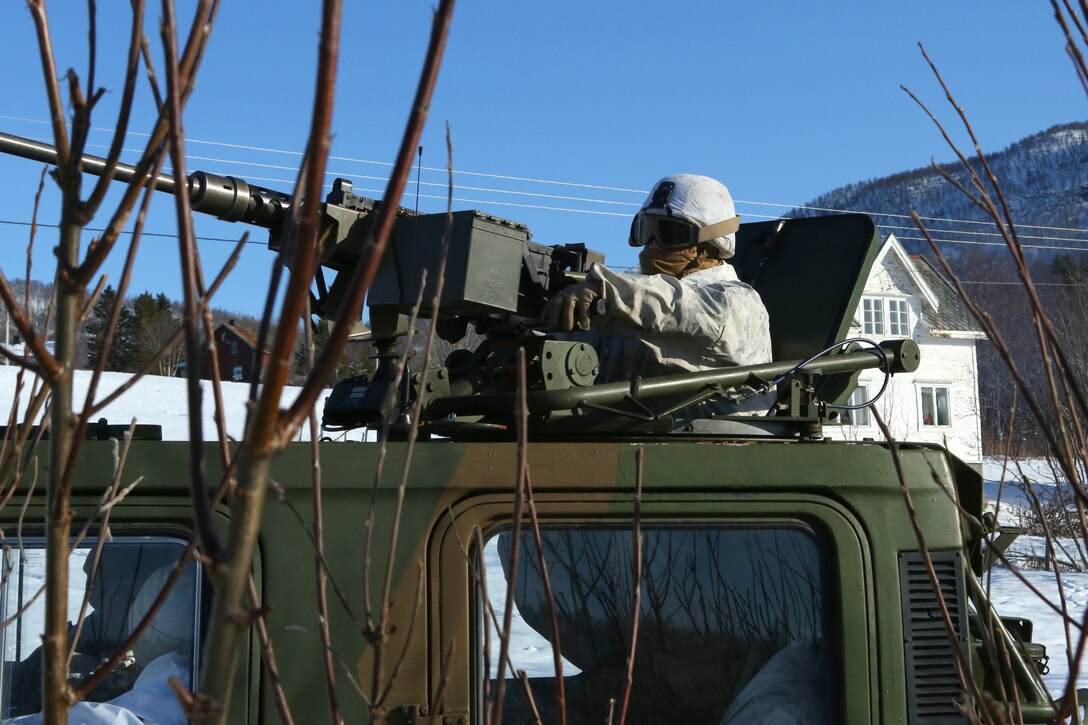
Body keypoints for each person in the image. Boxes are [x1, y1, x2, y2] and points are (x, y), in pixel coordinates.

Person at [541, 174, 772, 409]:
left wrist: (604, 290)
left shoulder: (736, 303)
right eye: (646, 230)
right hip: (623, 437)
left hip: (713, 438)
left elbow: (673, 304)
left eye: (669, 234)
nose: (651, 245)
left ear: (709, 246)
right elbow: (569, 336)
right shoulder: (628, 305)